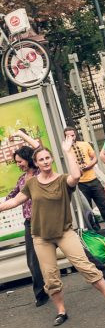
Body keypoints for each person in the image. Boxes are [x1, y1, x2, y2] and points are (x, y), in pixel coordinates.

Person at [0, 138, 105, 326]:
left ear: (52, 159)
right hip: (41, 237)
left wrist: (68, 151)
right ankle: (61, 311)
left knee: (85, 266)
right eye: (41, 159)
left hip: (64, 232)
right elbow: (15, 201)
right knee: (50, 277)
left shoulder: (62, 180)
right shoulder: (32, 184)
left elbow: (75, 175)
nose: (45, 162)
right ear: (37, 163)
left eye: (47, 158)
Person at [6, 130, 48, 307]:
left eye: (20, 161)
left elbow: (39, 148)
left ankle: (101, 274)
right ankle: (40, 294)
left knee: (76, 253)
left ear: (28, 159)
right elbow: (11, 197)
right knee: (32, 260)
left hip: (47, 221)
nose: (18, 165)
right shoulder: (22, 179)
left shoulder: (40, 172)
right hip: (30, 224)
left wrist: (20, 135)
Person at [64, 127, 105, 231]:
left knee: (104, 204)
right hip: (80, 183)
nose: (71, 137)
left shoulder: (84, 144)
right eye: (68, 136)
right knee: (87, 209)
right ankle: (95, 229)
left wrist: (89, 165)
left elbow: (95, 158)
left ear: (75, 134)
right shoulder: (66, 150)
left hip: (93, 179)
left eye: (72, 135)